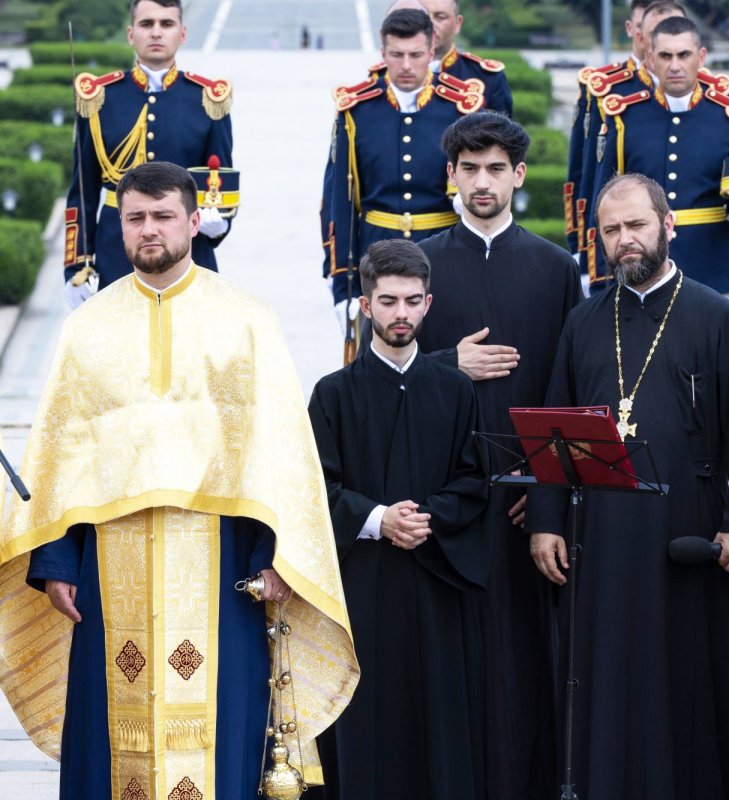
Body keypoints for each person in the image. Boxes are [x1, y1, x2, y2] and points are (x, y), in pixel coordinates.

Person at [0, 163, 358, 799]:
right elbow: (60, 451)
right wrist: (55, 561)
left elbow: (280, 449)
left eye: (163, 216)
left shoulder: (247, 320)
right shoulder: (87, 328)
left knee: (223, 730)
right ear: (120, 224)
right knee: (112, 735)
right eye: (135, 217)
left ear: (194, 221)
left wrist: (278, 555)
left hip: (224, 562)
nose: (149, 230)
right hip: (109, 566)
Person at [526, 173, 729, 798]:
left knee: (683, 672)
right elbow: (555, 425)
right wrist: (546, 520)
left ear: (669, 225)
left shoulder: (717, 316)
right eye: (611, 230)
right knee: (605, 671)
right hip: (599, 534)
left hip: (687, 529)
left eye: (636, 225)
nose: (624, 240)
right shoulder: (584, 321)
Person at [416, 111, 582, 799]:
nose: (482, 182)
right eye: (469, 169)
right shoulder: (419, 268)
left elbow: (571, 391)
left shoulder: (555, 269)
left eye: (495, 169)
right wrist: (445, 363)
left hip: (523, 507)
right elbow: (378, 380)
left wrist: (545, 494)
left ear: (517, 175)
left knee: (523, 666)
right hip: (439, 501)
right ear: (451, 176)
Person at [308, 239, 490, 799]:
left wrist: (423, 519)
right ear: (366, 307)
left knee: (437, 722)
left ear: (428, 304)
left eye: (412, 301)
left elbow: (473, 481)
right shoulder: (332, 395)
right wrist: (378, 518)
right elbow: (316, 490)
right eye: (388, 301)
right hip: (362, 587)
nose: (401, 314)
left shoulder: (456, 391)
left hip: (434, 585)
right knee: (367, 722)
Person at [323, 8, 483, 351]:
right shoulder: (357, 112)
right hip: (375, 252)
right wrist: (341, 283)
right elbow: (341, 200)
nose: (406, 65)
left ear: (431, 51)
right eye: (396, 55)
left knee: (443, 362)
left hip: (442, 252)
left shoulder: (459, 110)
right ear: (383, 54)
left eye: (415, 55)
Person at [64, 0, 233, 307]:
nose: (156, 32)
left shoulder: (207, 100)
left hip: (188, 254)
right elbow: (82, 194)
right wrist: (76, 266)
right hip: (116, 254)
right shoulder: (100, 99)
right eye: (147, 24)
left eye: (166, 24)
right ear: (131, 34)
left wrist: (221, 220)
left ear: (182, 33)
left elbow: (220, 180)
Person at [589, 16, 729, 300]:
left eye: (683, 55)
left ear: (701, 57)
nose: (674, 65)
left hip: (712, 270)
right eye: (665, 55)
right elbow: (602, 202)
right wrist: (598, 275)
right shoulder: (624, 117)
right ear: (650, 59)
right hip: (639, 270)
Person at [568, 0, 687, 281]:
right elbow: (585, 175)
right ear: (638, 33)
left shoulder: (708, 94)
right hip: (625, 250)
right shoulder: (607, 90)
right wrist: (583, 250)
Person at [385, 0, 512, 115]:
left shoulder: (486, 77)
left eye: (440, 17)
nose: (429, 25)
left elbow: (502, 137)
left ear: (458, 23)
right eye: (420, 16)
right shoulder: (382, 75)